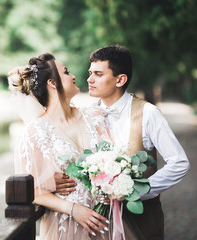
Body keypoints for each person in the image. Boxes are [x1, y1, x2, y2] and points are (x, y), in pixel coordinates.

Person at [56, 45, 190, 240]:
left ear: (120, 79)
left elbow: (180, 163)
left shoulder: (148, 113)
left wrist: (138, 191)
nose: (89, 79)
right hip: (97, 224)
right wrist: (59, 181)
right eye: (90, 73)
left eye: (98, 74)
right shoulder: (87, 115)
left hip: (142, 220)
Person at [8, 53, 113, 240]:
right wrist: (73, 209)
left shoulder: (95, 117)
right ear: (53, 83)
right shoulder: (34, 133)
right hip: (66, 226)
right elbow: (32, 191)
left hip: (105, 222)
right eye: (66, 72)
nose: (73, 76)